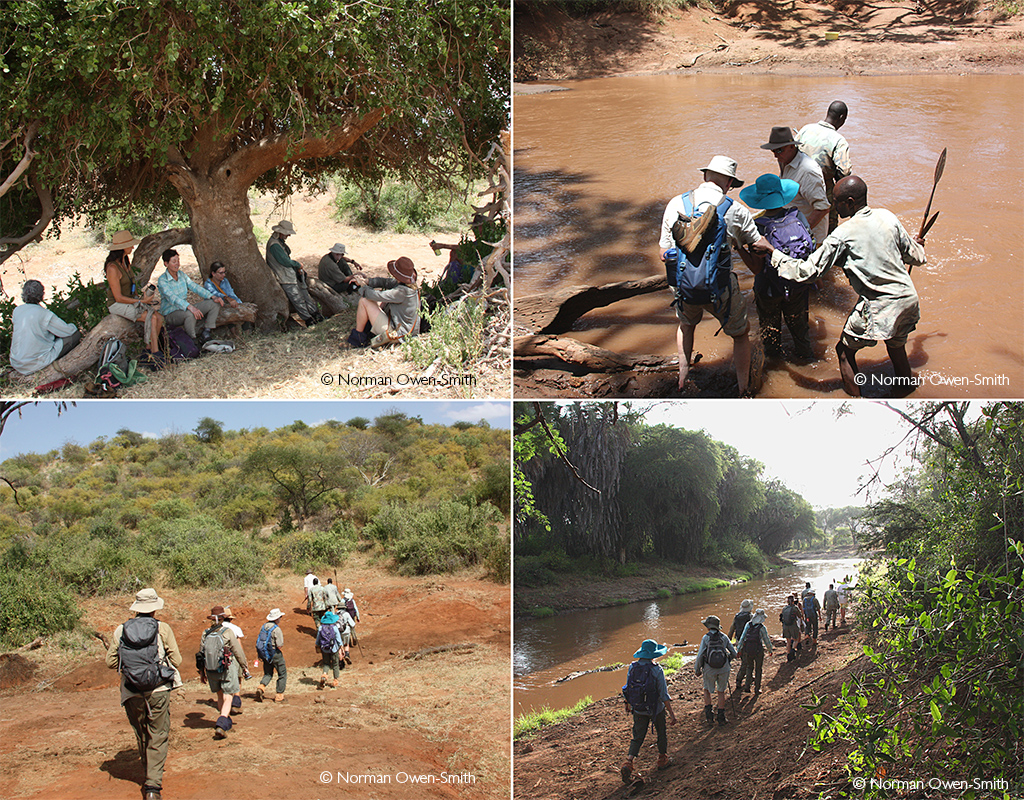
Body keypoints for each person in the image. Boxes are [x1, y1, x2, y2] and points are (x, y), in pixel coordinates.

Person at [759, 175, 927, 397]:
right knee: (896, 345)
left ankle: (854, 399)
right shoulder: (887, 217)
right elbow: (916, 257)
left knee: (844, 351)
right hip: (907, 299)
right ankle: (905, 388)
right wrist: (917, 244)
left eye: (836, 202)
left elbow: (807, 272)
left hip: (880, 305)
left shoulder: (842, 234)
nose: (833, 207)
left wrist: (773, 252)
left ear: (849, 202)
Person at [658, 156, 770, 396]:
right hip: (720, 289)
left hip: (683, 287)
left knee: (686, 326)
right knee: (740, 335)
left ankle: (683, 376)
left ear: (704, 176)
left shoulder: (675, 203)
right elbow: (758, 245)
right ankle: (743, 388)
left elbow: (663, 254)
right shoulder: (735, 209)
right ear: (729, 183)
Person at [105, 588, 182, 800]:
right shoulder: (162, 628)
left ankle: (149, 771)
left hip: (131, 690)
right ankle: (152, 786)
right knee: (158, 733)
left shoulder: (121, 630)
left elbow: (110, 662)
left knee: (142, 733)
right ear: (155, 608)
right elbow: (177, 661)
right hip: (157, 689)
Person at [738, 174, 815, 360]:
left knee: (771, 336)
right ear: (782, 195)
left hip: (769, 289)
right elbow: (811, 247)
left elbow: (757, 268)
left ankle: (775, 369)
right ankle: (807, 362)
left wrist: (739, 247)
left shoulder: (756, 226)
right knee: (801, 332)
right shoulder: (798, 216)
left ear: (759, 199)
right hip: (797, 285)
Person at [103, 230, 165, 367]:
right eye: (130, 245)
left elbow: (131, 287)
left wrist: (143, 297)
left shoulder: (125, 262)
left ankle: (148, 351)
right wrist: (141, 302)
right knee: (152, 318)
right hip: (118, 304)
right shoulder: (112, 268)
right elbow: (118, 297)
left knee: (159, 317)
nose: (132, 247)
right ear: (121, 247)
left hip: (131, 300)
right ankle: (155, 354)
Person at [760, 126, 830, 246]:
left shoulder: (807, 171)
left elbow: (823, 208)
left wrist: (801, 233)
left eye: (779, 150)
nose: (775, 155)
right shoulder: (784, 161)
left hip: (808, 239)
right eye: (773, 151)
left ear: (792, 146)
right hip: (792, 232)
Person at [619, 639, 677, 783]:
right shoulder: (657, 670)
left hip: (638, 708)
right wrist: (672, 714)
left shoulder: (632, 667)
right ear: (653, 654)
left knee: (637, 736)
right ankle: (662, 759)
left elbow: (627, 688)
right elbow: (663, 695)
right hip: (656, 708)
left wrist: (628, 704)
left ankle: (629, 762)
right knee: (661, 732)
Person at [798, 101, 853, 234]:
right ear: (842, 118)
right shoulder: (839, 140)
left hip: (797, 185)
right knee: (828, 227)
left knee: (798, 218)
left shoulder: (805, 129)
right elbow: (845, 172)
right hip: (822, 188)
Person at [346, 256, 421, 348]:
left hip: (398, 334)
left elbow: (376, 295)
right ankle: (367, 331)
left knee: (364, 301)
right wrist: (367, 281)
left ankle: (358, 339)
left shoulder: (402, 292)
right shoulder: (409, 285)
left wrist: (362, 285)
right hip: (403, 329)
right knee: (374, 303)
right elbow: (385, 282)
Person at [198, 605, 250, 739]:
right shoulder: (227, 632)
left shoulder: (205, 633)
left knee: (220, 696)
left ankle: (225, 720)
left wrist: (202, 673)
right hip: (226, 668)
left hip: (211, 670)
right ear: (223, 618)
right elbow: (237, 651)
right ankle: (221, 722)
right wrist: (244, 666)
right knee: (228, 696)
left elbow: (201, 654)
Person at [9, 280, 81, 375]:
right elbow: (68, 331)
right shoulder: (45, 314)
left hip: (17, 362)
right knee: (75, 335)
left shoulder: (17, 311)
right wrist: (73, 325)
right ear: (42, 295)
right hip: (34, 363)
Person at [157, 249, 223, 346]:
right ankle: (193, 341)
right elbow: (172, 298)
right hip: (171, 313)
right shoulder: (162, 280)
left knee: (214, 303)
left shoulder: (182, 275)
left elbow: (195, 287)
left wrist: (212, 296)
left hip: (184, 308)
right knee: (189, 314)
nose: (177, 264)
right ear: (166, 264)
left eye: (178, 261)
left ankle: (206, 332)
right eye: (174, 261)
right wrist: (190, 307)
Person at [265, 220, 323, 326]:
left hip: (289, 275)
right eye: (287, 233)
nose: (288, 235)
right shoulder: (274, 245)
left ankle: (315, 315)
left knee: (305, 295)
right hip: (285, 277)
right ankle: (309, 320)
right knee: (297, 299)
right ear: (281, 232)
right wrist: (297, 264)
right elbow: (285, 262)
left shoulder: (278, 242)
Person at [695, 615, 737, 725]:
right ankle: (721, 717)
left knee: (707, 690)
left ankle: (709, 717)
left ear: (708, 627)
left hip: (709, 669)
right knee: (721, 691)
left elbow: (700, 656)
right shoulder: (724, 637)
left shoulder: (706, 638)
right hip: (724, 668)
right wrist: (727, 660)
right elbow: (734, 653)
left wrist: (697, 669)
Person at [737, 608, 774, 694]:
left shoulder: (748, 625)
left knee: (749, 667)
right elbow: (766, 640)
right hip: (758, 651)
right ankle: (757, 689)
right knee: (758, 669)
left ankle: (747, 686)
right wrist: (770, 649)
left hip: (747, 650)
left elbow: (743, 638)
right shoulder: (761, 627)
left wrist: (739, 650)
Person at [255, 608, 287, 703]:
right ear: (277, 618)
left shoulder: (264, 626)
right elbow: (280, 645)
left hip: (265, 655)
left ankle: (261, 687)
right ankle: (279, 696)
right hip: (275, 654)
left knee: (268, 673)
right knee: (282, 673)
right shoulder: (276, 629)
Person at [220, 607, 246, 713]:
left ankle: (224, 704)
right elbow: (238, 646)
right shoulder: (235, 628)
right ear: (230, 618)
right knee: (238, 677)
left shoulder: (215, 628)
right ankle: (235, 701)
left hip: (220, 658)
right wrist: (243, 660)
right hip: (234, 656)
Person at [727, 599, 754, 693]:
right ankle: (739, 679)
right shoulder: (751, 616)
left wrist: (727, 641)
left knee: (745, 660)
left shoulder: (737, 616)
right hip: (748, 642)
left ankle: (749, 676)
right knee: (747, 662)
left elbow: (731, 630)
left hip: (738, 641)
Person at [316, 610, 344, 689]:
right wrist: (341, 648)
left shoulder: (321, 628)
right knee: (335, 664)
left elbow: (318, 639)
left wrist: (317, 646)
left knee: (326, 664)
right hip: (334, 649)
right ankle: (335, 681)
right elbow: (338, 639)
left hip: (324, 649)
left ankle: (324, 675)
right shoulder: (334, 628)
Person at [780, 596, 801, 661]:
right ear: (793, 601)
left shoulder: (784, 608)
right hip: (793, 625)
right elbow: (800, 615)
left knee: (788, 641)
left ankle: (789, 655)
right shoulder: (795, 608)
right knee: (796, 639)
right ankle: (793, 650)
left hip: (785, 626)